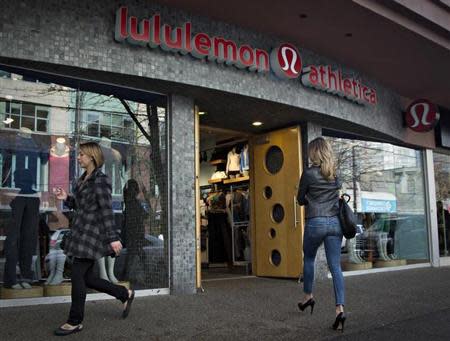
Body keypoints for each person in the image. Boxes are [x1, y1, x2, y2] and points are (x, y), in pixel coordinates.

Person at [53, 141, 134, 336]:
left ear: (92, 157)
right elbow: (81, 205)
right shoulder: (83, 179)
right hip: (80, 232)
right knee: (87, 278)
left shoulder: (101, 179)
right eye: (79, 154)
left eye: (82, 154)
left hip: (90, 235)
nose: (78, 157)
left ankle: (75, 321)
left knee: (77, 276)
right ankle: (124, 294)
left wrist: (113, 237)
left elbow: (106, 210)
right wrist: (67, 198)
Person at [296, 137, 346, 332]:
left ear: (313, 152)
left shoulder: (308, 174)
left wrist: (308, 198)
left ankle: (308, 297)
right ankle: (339, 310)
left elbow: (300, 199)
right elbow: (337, 195)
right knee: (335, 268)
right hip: (335, 224)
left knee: (309, 259)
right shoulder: (335, 174)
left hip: (315, 222)